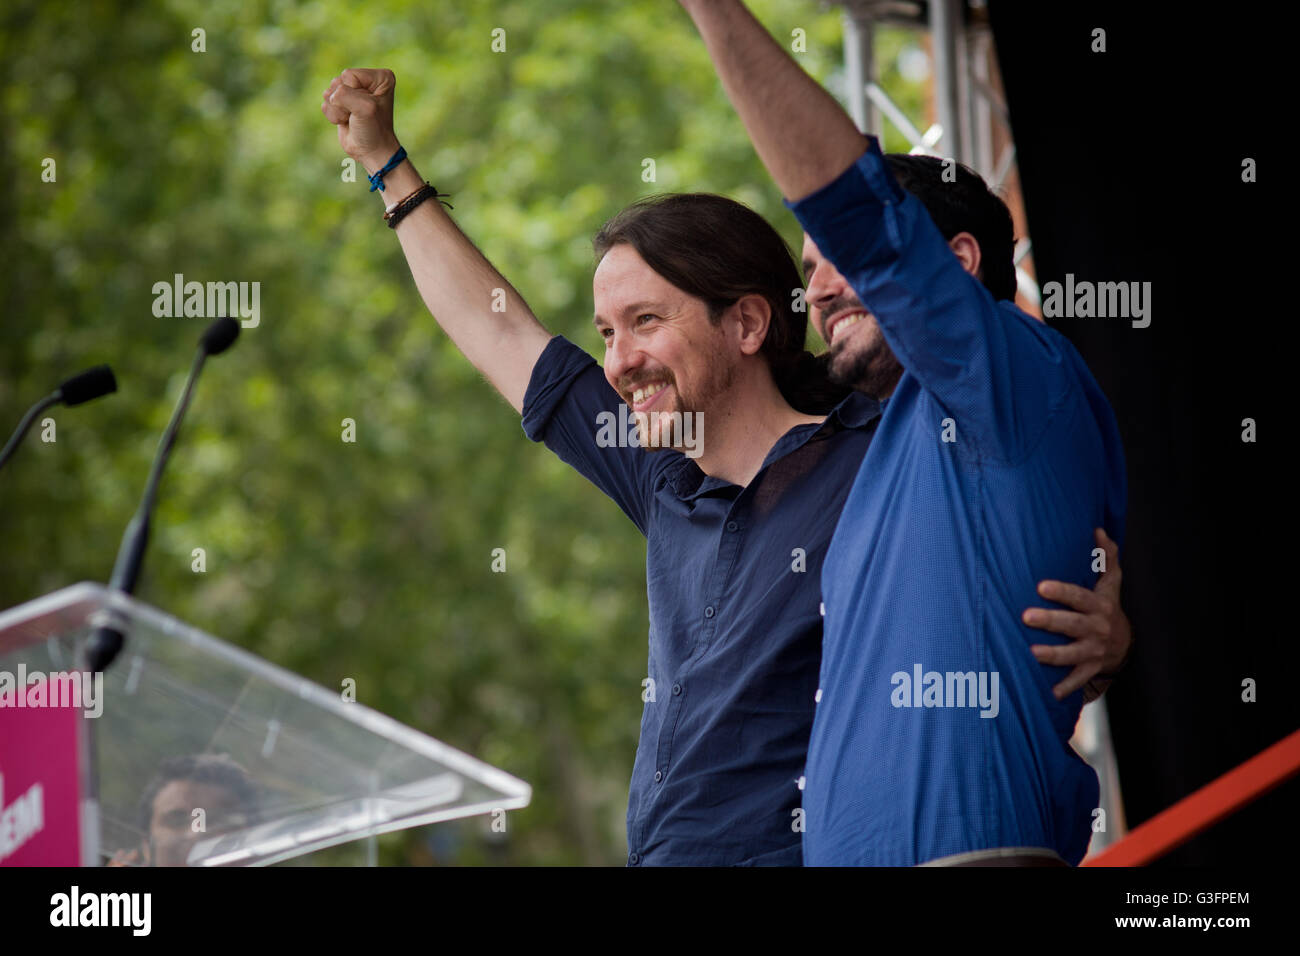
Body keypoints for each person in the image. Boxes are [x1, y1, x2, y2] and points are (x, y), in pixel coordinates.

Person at [320, 69, 1129, 864]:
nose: (618, 363)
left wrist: (1115, 635)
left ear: (746, 323)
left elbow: (1022, 526)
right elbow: (499, 334)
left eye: (643, 321)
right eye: (605, 333)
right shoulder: (660, 471)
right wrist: (388, 165)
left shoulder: (884, 454)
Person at [680, 0, 1129, 865]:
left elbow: (863, 215)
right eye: (805, 275)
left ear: (957, 265)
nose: (818, 292)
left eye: (835, 262)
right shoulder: (889, 435)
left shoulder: (1016, 370)